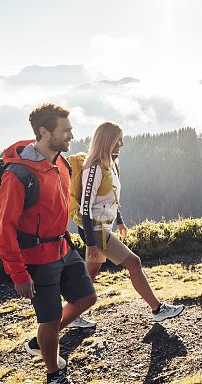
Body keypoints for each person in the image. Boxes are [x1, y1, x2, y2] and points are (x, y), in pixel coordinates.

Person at [0, 103, 96, 384]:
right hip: (37, 260)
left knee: (87, 298)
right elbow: (5, 231)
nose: (71, 135)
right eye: (65, 130)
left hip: (63, 247)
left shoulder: (60, 162)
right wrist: (18, 274)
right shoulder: (17, 176)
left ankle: (42, 342)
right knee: (49, 319)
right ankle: (54, 377)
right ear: (44, 132)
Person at [70, 121, 184, 325]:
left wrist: (120, 221)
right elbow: (85, 208)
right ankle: (158, 309)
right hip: (95, 230)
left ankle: (72, 314)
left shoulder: (112, 165)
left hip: (103, 227)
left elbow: (111, 199)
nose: (122, 143)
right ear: (108, 141)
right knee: (134, 262)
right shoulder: (93, 169)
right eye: (118, 139)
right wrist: (90, 242)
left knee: (91, 272)